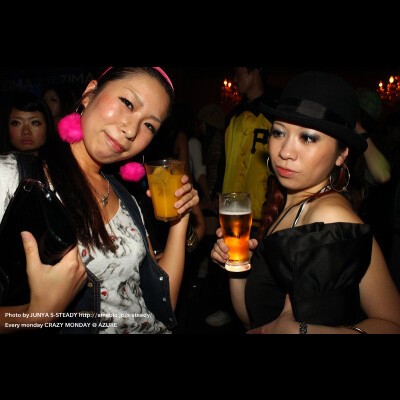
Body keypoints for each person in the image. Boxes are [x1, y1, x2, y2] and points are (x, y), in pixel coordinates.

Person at [0, 66, 199, 334]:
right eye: (127, 103)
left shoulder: (126, 198)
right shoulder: (14, 177)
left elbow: (162, 304)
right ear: (89, 93)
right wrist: (32, 316)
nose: (131, 130)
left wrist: (180, 218)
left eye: (149, 125)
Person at [211, 71, 400, 334]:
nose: (285, 152)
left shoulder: (330, 216)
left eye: (308, 138)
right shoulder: (287, 203)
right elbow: (253, 319)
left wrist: (303, 331)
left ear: (341, 154)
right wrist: (237, 265)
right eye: (279, 133)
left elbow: (392, 323)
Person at [206, 66, 281, 327]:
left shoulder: (276, 114)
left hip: (263, 206)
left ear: (255, 72)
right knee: (226, 255)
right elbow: (226, 161)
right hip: (231, 206)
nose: (235, 80)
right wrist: (217, 192)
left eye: (239, 73)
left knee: (264, 267)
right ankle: (228, 307)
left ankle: (265, 316)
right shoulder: (234, 116)